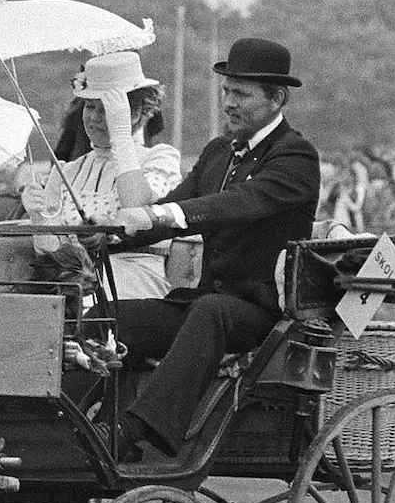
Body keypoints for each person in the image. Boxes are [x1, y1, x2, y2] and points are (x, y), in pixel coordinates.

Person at [103, 38, 321, 467]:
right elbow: (169, 211)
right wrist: (107, 237)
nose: (228, 103)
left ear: (277, 98)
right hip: (204, 306)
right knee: (111, 317)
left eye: (240, 93)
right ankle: (60, 426)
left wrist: (156, 215)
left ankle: (136, 432)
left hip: (258, 315)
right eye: (225, 90)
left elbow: (235, 205)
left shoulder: (296, 156)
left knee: (213, 312)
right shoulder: (218, 152)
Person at [22, 59, 181, 300]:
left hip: (131, 279)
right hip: (71, 284)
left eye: (105, 109)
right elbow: (51, 255)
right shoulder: (68, 170)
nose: (94, 118)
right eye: (89, 107)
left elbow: (136, 205)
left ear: (136, 112)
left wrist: (120, 133)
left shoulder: (159, 158)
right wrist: (37, 218)